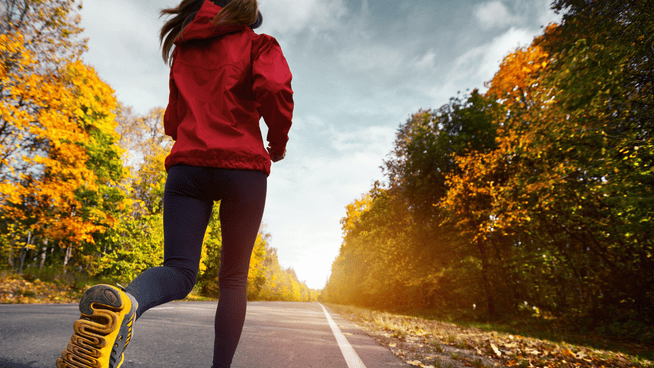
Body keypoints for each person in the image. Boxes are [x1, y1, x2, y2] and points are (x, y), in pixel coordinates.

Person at [56, 0, 293, 367]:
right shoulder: (258, 44)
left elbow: (173, 118)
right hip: (243, 169)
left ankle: (128, 303)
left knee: (180, 270)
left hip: (188, 168)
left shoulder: (185, 46)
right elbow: (276, 90)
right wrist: (276, 145)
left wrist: (191, 137)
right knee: (232, 279)